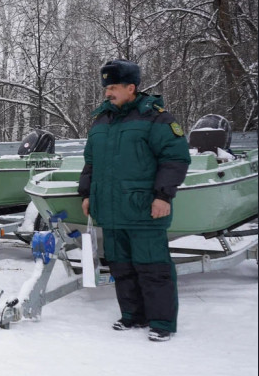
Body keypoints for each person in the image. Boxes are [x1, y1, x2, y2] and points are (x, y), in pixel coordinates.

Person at [78, 59, 190, 342]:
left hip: (144, 210)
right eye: (106, 87)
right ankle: (133, 316)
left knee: (153, 267)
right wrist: (87, 193)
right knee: (121, 266)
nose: (108, 92)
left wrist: (163, 196)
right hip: (112, 211)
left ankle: (162, 323)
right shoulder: (101, 120)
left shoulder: (156, 118)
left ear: (131, 87)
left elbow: (174, 159)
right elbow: (90, 162)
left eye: (113, 87)